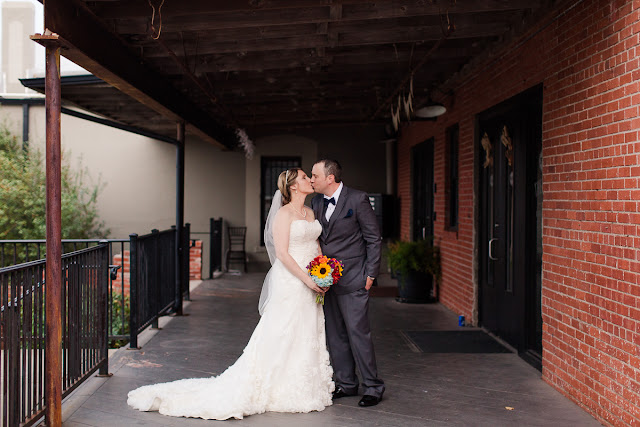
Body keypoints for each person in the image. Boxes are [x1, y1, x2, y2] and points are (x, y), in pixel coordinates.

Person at [127, 168, 334, 420]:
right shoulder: (283, 214)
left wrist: (324, 273)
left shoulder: (311, 212)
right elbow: (281, 254)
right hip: (292, 280)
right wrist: (306, 280)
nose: (309, 180)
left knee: (307, 329)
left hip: (313, 278)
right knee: (283, 330)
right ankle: (275, 387)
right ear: (292, 186)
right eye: (304, 177)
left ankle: (304, 384)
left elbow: (316, 245)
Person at [310, 159, 385, 407]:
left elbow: (373, 238)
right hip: (327, 280)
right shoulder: (316, 201)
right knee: (336, 335)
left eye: (315, 176)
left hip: (355, 278)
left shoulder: (357, 199)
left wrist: (370, 275)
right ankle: (347, 383)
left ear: (330, 178)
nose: (312, 180)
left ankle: (373, 386)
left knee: (358, 334)